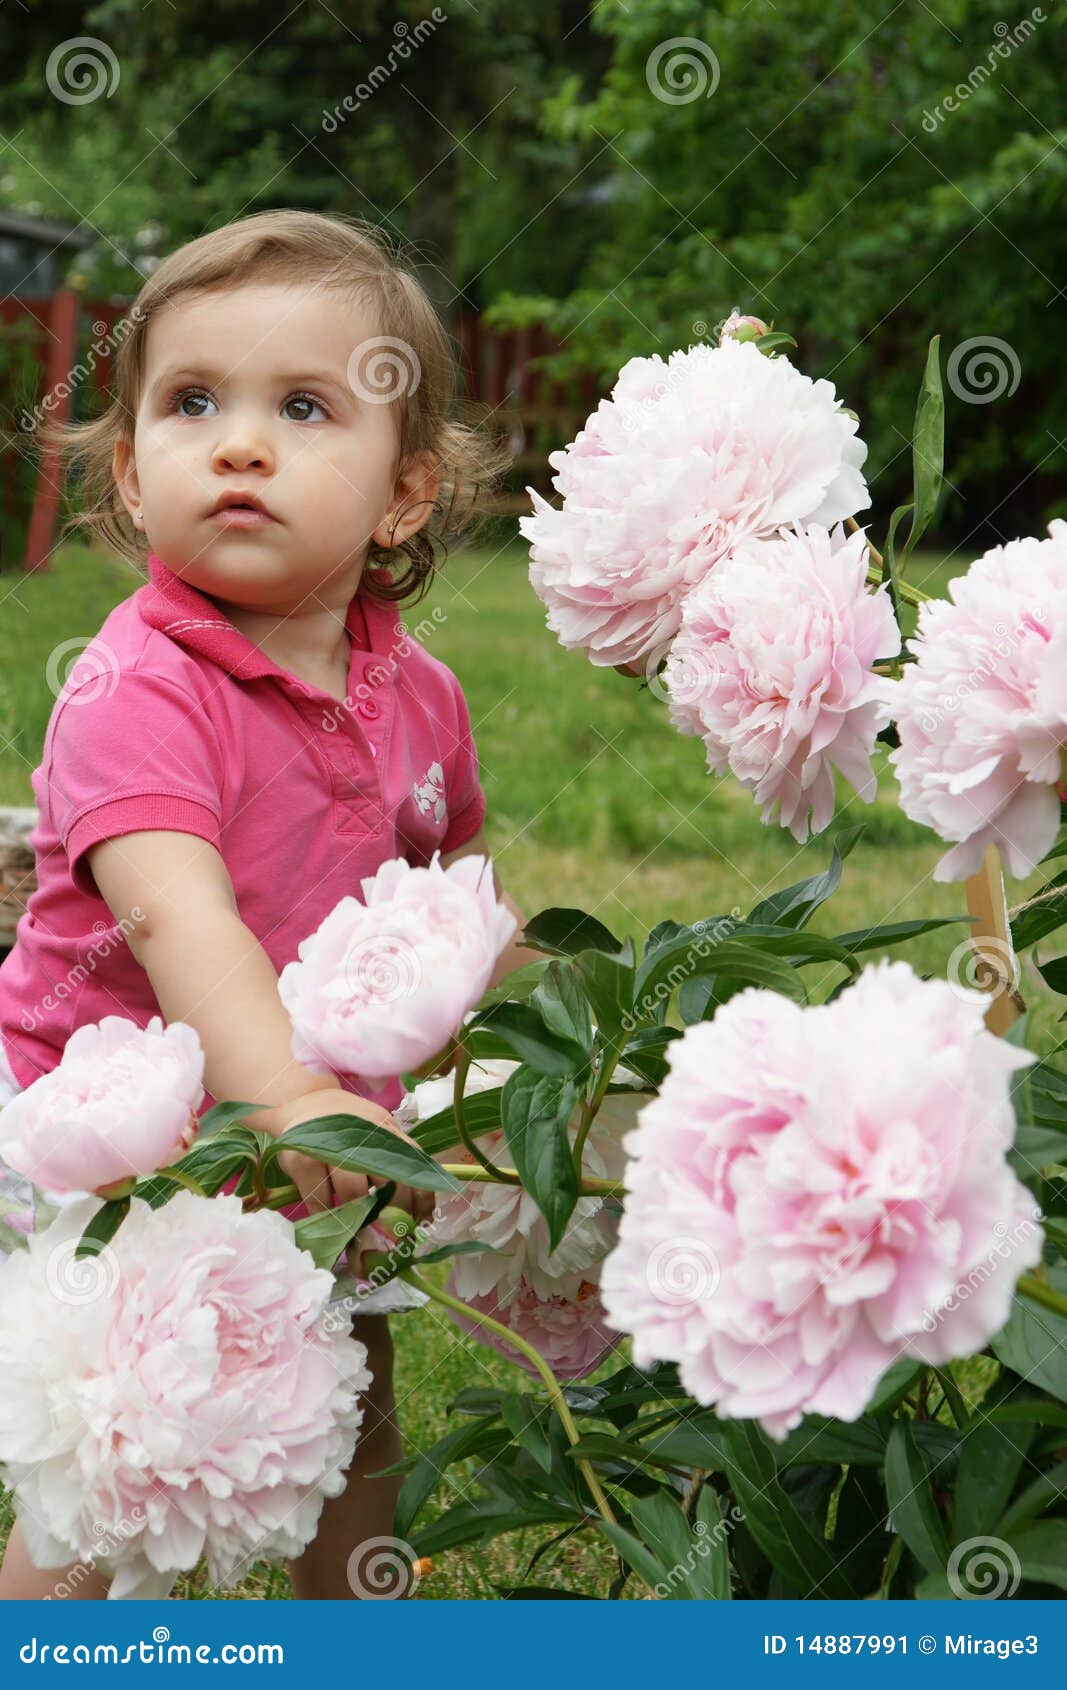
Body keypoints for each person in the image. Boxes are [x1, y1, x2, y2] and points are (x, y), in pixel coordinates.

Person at [0, 208, 525, 1600]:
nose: (238, 444)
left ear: (404, 493)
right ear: (130, 474)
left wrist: (531, 1046)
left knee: (350, 1393)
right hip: (118, 1126)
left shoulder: (420, 692)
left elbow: (450, 901)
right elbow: (180, 924)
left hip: (319, 1124)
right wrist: (290, 1098)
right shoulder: (137, 689)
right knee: (125, 1437)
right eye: (191, 403)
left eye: (301, 407)